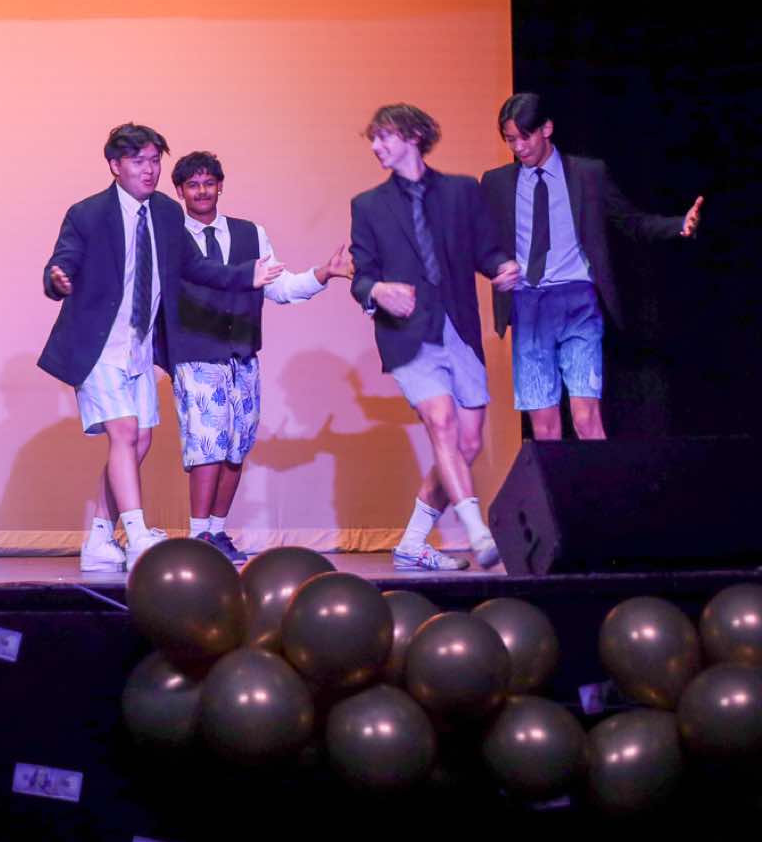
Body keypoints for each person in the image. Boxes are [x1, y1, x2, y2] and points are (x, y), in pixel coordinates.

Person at [39, 125, 281, 573]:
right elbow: (63, 260)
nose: (148, 170)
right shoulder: (88, 213)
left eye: (154, 161)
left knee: (140, 440)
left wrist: (245, 276)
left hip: (139, 347)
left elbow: (195, 267)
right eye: (138, 162)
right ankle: (137, 536)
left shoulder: (167, 213)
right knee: (125, 433)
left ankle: (98, 538)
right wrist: (57, 279)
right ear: (115, 166)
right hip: (97, 346)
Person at [348, 103, 520, 572]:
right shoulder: (368, 205)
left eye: (384, 136)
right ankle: (477, 530)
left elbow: (485, 250)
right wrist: (379, 291)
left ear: (413, 136)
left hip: (458, 329)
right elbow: (362, 276)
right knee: (441, 421)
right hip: (407, 336)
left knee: (468, 445)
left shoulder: (462, 192)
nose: (376, 146)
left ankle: (412, 542)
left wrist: (502, 267)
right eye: (373, 139)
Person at [166, 150, 351, 565]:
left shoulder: (251, 233)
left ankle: (216, 531)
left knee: (236, 446)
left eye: (209, 183)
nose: (202, 191)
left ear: (220, 186)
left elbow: (280, 287)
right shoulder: (171, 237)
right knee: (208, 445)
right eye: (193, 185)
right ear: (179, 191)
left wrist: (322, 274)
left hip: (243, 354)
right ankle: (198, 537)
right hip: (196, 353)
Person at [483, 92, 701, 440]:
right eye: (510, 140)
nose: (519, 147)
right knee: (545, 426)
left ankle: (600, 477)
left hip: (578, 301)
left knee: (587, 418)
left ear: (546, 128)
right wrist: (498, 266)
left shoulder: (588, 174)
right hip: (528, 304)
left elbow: (631, 221)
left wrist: (678, 225)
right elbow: (484, 242)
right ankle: (553, 479)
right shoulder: (496, 183)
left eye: (525, 137)